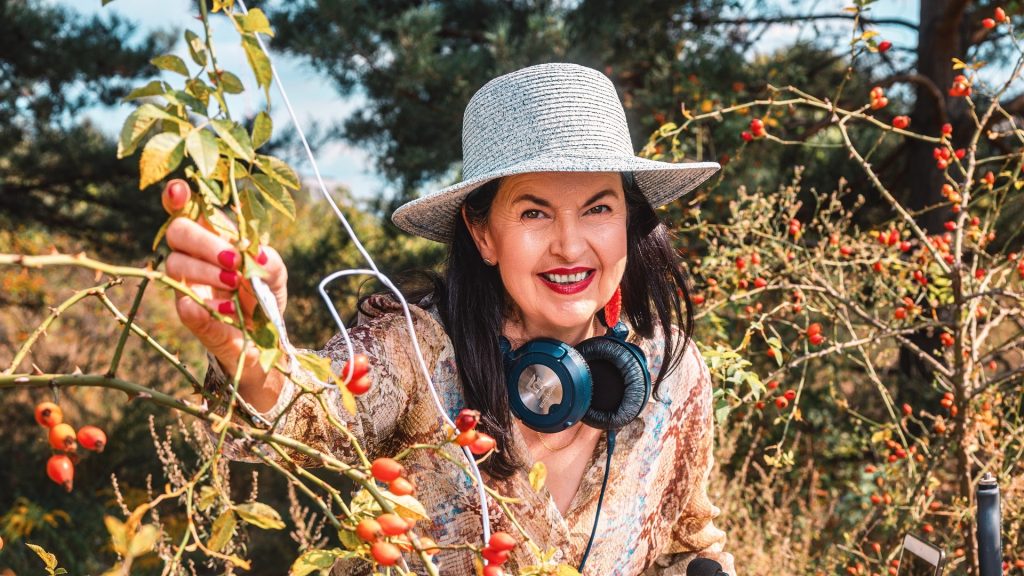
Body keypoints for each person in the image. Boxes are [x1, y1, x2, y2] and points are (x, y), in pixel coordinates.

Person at [162, 63, 736, 575]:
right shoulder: (415, 347)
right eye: (534, 211)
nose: (570, 244)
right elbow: (307, 409)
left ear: (628, 223)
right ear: (483, 233)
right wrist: (253, 345)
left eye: (599, 208)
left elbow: (687, 542)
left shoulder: (671, 372)